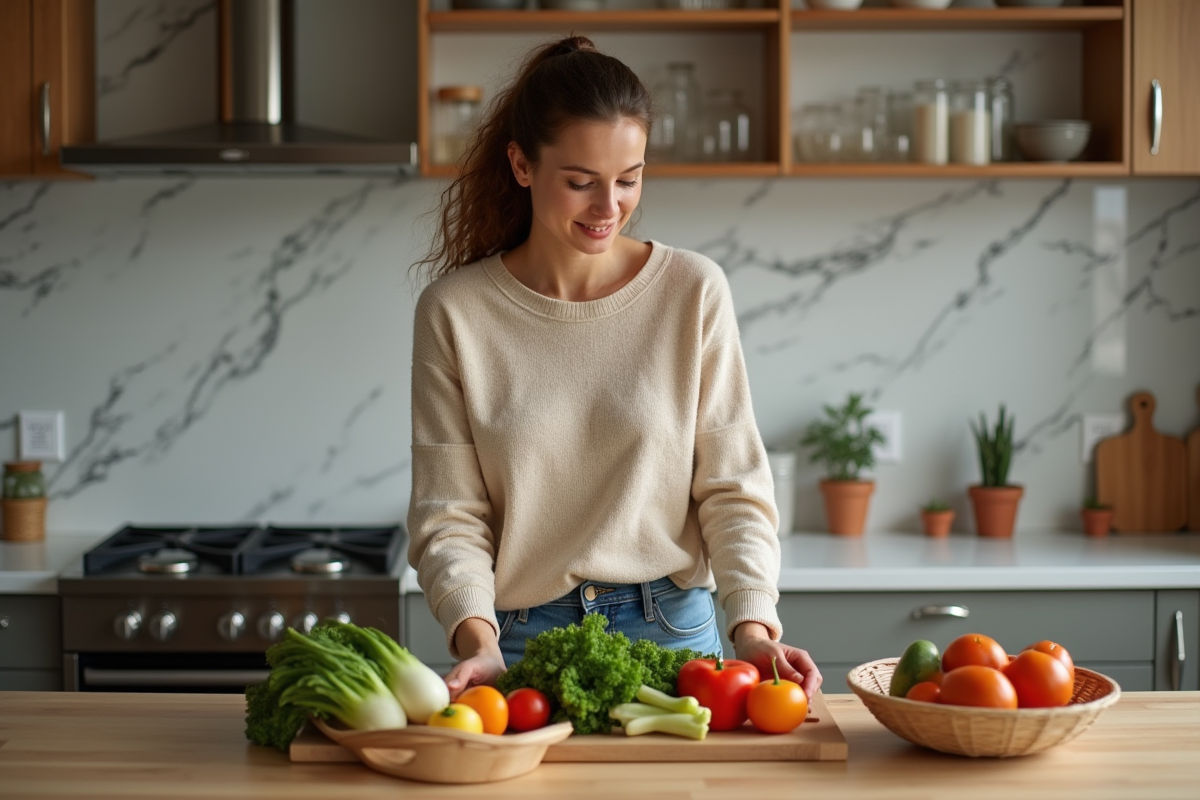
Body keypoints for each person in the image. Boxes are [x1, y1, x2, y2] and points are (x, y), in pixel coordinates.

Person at [407, 35, 823, 702]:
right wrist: (475, 638)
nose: (609, 208)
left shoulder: (692, 291)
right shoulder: (456, 312)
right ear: (521, 164)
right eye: (580, 182)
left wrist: (752, 624)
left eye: (629, 179)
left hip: (676, 630)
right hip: (518, 643)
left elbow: (733, 484)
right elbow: (449, 511)